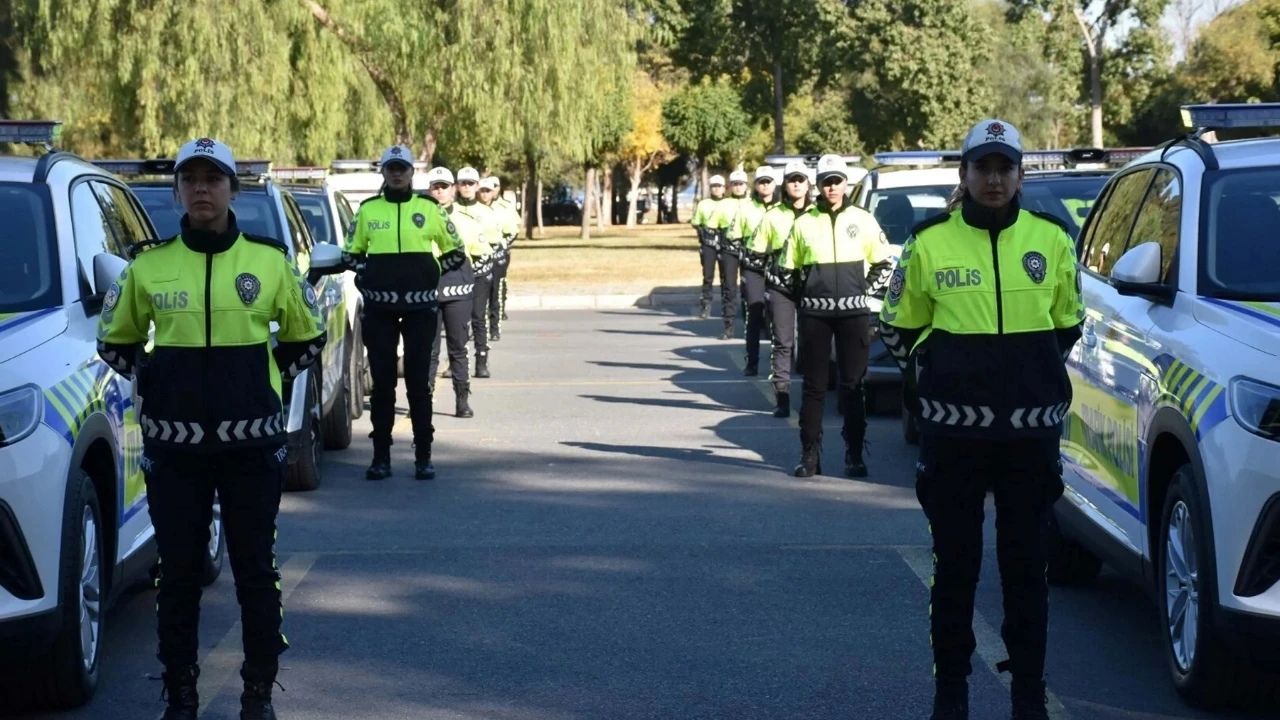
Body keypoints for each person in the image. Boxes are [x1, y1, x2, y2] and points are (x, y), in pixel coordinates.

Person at [96, 138, 327, 720]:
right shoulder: (146, 267)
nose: (202, 189)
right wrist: (158, 383)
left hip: (252, 449)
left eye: (214, 179)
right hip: (175, 453)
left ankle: (257, 693)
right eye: (191, 179)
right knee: (176, 577)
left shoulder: (269, 262)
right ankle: (180, 694)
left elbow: (308, 336)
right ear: (178, 189)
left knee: (256, 571)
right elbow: (114, 342)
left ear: (232, 189)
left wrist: (259, 382)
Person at [878, 119, 1084, 720]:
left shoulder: (1052, 241)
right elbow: (897, 325)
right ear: (964, 175)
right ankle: (952, 694)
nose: (993, 179)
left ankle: (1028, 696)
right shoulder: (929, 242)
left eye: (1004, 168)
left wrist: (1030, 377)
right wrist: (938, 372)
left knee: (1027, 571)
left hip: (1029, 439)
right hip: (954, 439)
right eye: (982, 168)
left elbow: (1067, 325)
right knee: (956, 569)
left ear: (1020, 175)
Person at [338, 144, 466, 481]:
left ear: (412, 173)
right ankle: (381, 458)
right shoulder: (367, 210)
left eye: (403, 168)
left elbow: (456, 252)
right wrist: (368, 275)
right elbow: (351, 254)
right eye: (391, 168)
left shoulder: (429, 208)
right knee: (382, 385)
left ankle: (423, 456)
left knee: (418, 384)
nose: (397, 173)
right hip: (379, 308)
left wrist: (429, 272)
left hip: (421, 308)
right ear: (384, 172)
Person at [776, 154, 895, 479]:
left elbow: (886, 262)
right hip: (815, 317)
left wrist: (865, 289)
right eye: (826, 181)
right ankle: (809, 454)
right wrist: (805, 296)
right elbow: (786, 270)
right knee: (814, 387)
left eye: (837, 181)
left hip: (855, 315)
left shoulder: (864, 219)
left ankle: (854, 455)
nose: (832, 187)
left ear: (846, 184)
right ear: (819, 184)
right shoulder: (803, 223)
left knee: (853, 386)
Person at [424, 166, 489, 417]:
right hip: (428, 292)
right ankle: (424, 401)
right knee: (428, 350)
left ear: (452, 189)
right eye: (435, 187)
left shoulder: (466, 219)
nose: (439, 191)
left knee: (458, 348)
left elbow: (480, 252)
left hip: (458, 292)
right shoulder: (419, 219)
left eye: (444, 187)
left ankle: (462, 401)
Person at [757, 160, 813, 418]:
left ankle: (814, 397)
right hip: (781, 287)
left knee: (813, 342)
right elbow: (754, 250)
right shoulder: (772, 215)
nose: (797, 184)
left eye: (801, 179)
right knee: (783, 342)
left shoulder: (819, 214)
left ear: (808, 183)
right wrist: (768, 268)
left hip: (813, 286)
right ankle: (782, 396)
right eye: (792, 179)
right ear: (785, 184)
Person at [728, 166, 779, 376]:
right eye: (761, 181)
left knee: (778, 315)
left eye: (768, 181)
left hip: (778, 268)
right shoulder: (745, 209)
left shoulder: (783, 209)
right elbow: (732, 237)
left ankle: (779, 363)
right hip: (753, 268)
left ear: (775, 184)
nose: (765, 185)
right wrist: (743, 255)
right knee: (754, 314)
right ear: (755, 185)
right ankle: (752, 361)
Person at [453, 167, 500, 378]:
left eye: (470, 183)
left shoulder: (486, 212)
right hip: (455, 272)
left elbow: (495, 242)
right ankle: (456, 361)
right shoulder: (449, 210)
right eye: (462, 183)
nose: (466, 187)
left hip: (481, 272)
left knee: (478, 317)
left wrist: (482, 262)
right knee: (458, 320)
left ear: (477, 186)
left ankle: (481, 360)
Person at [479, 176, 520, 339]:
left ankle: (494, 328)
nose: (484, 194)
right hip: (478, 259)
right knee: (478, 297)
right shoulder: (473, 210)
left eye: (488, 191)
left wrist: (503, 245)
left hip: (497, 257)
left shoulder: (502, 209)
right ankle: (478, 328)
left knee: (495, 292)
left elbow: (512, 230)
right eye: (482, 191)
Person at [713, 169, 750, 339]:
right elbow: (714, 226)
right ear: (730, 186)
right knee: (729, 288)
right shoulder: (723, 204)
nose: (737, 187)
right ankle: (728, 326)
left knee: (749, 288)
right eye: (734, 184)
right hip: (729, 250)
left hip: (749, 250)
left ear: (746, 186)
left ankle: (751, 325)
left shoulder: (753, 204)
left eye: (740, 184)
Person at [689, 175, 730, 320]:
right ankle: (706, 305)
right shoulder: (703, 204)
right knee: (708, 276)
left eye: (719, 186)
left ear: (724, 188)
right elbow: (695, 221)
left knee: (726, 276)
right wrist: (702, 230)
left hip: (725, 243)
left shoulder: (729, 203)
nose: (716, 189)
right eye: (714, 186)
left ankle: (727, 306)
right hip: (708, 243)